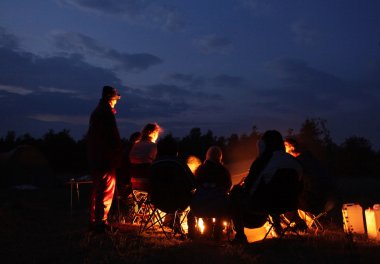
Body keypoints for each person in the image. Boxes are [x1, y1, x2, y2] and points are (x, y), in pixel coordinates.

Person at [230, 130, 303, 243]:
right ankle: (277, 227)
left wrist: (239, 188)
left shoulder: (262, 161)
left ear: (263, 145)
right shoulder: (295, 162)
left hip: (264, 206)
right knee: (275, 191)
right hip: (289, 205)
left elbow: (249, 187)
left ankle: (240, 235)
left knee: (235, 191)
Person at [86, 85, 123, 233]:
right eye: (115, 99)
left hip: (96, 155)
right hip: (105, 157)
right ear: (111, 99)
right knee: (105, 189)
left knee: (97, 189)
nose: (116, 102)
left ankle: (94, 219)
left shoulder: (98, 111)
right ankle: (101, 222)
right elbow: (111, 136)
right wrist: (117, 153)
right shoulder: (105, 113)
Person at [284, 137, 337, 216]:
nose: (283, 148)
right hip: (326, 201)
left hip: (313, 201)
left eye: (285, 145)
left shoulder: (299, 162)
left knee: (283, 197)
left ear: (292, 147)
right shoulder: (309, 158)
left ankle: (297, 222)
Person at [188, 146, 232, 240]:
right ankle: (218, 231)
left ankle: (192, 234)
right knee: (224, 202)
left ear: (207, 156)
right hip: (218, 209)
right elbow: (228, 188)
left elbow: (193, 185)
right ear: (220, 157)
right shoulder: (223, 171)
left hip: (199, 208)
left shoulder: (200, 170)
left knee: (194, 207)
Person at [128, 123, 161, 191]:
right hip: (147, 181)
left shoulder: (135, 145)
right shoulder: (153, 146)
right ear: (153, 133)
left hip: (133, 180)